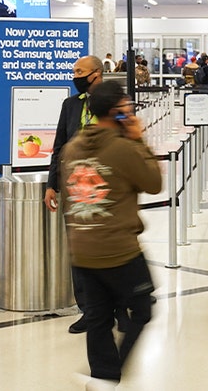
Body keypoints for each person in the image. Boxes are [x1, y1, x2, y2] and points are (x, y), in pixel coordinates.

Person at [57, 81, 161, 389]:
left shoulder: (72, 147)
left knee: (98, 317)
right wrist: (139, 139)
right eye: (126, 107)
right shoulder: (123, 147)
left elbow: (70, 194)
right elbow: (154, 182)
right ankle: (111, 371)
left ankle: (102, 376)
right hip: (120, 248)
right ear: (116, 112)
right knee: (142, 309)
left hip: (82, 247)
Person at [44, 55, 106, 334]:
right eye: (74, 71)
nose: (75, 76)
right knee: (79, 252)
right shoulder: (70, 105)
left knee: (106, 249)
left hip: (105, 189)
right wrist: (51, 184)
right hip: (73, 188)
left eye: (80, 71)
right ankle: (88, 309)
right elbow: (58, 146)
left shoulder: (113, 104)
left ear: (96, 73)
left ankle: (111, 305)